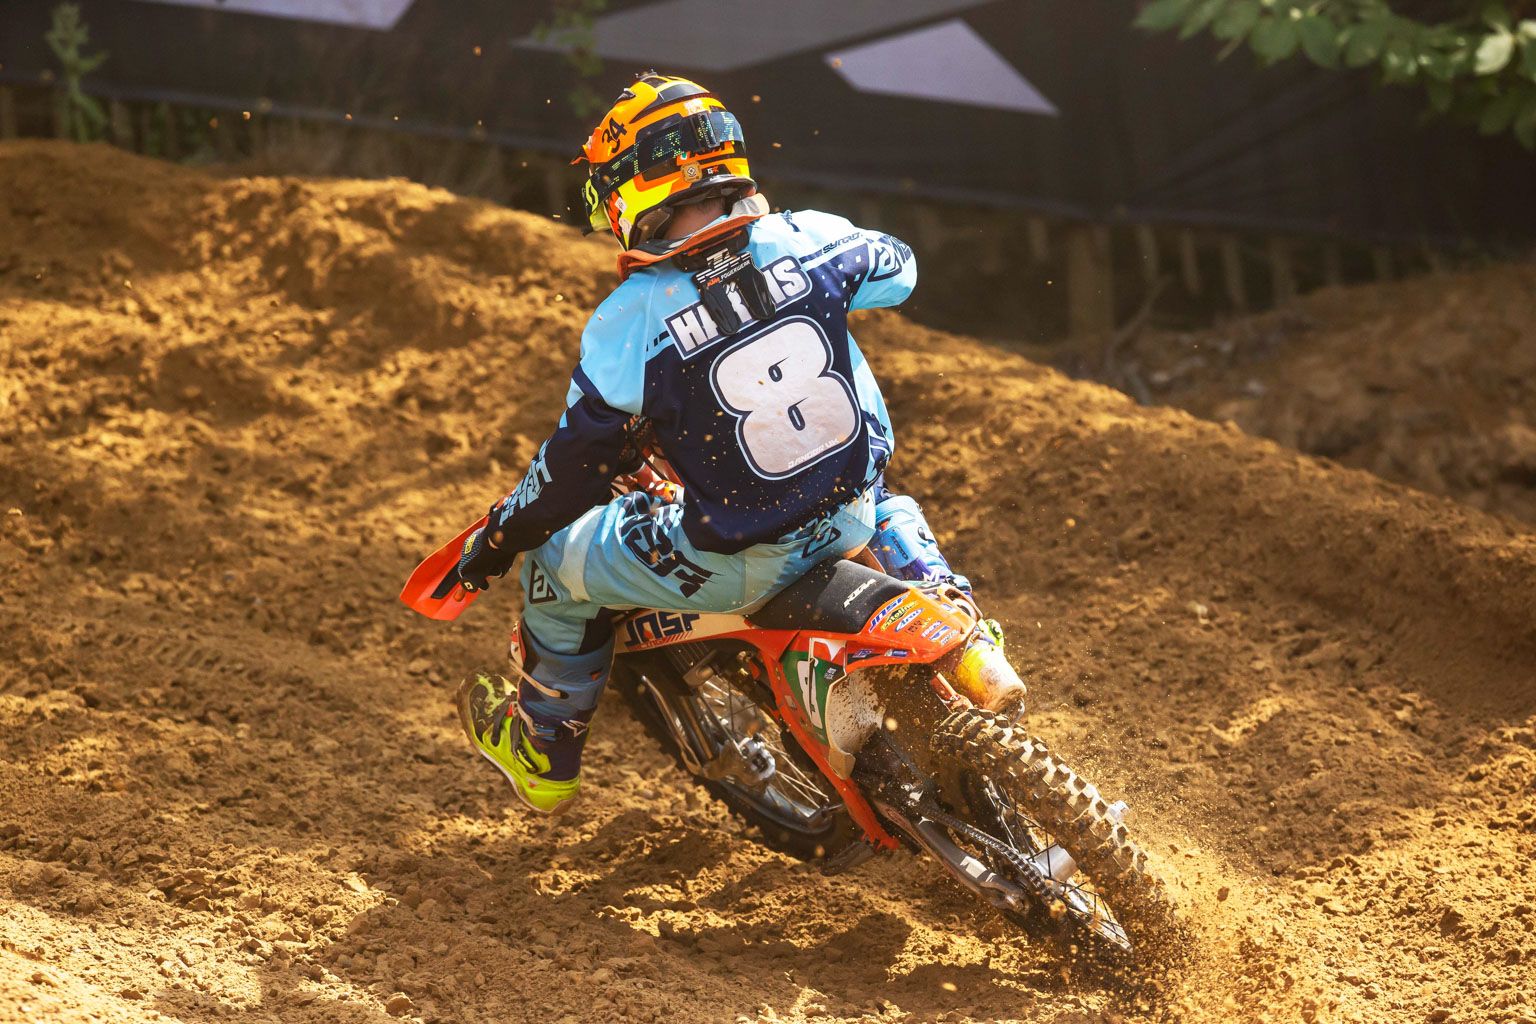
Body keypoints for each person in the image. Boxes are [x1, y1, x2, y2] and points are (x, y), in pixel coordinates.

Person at [454, 73, 985, 815]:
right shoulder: (810, 237)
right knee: (889, 501)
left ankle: (543, 748)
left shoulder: (629, 318)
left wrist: (500, 536)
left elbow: (575, 467)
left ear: (633, 185)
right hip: (852, 516)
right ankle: (964, 633)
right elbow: (899, 269)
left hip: (741, 560)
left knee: (554, 563)